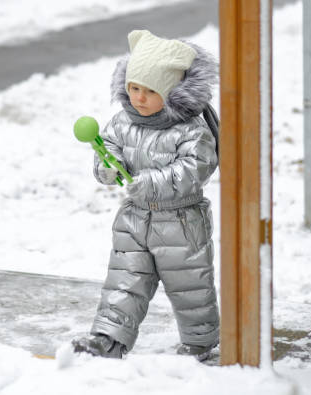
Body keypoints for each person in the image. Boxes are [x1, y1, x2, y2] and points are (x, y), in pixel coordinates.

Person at [72, 29, 220, 361]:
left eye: (150, 91)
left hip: (181, 221)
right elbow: (106, 147)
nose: (139, 97)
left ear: (171, 92)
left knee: (190, 286)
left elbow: (197, 166)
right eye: (134, 88)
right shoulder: (123, 122)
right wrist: (107, 167)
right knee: (125, 278)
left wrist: (152, 181)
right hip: (135, 217)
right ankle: (108, 338)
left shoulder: (190, 128)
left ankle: (200, 342)